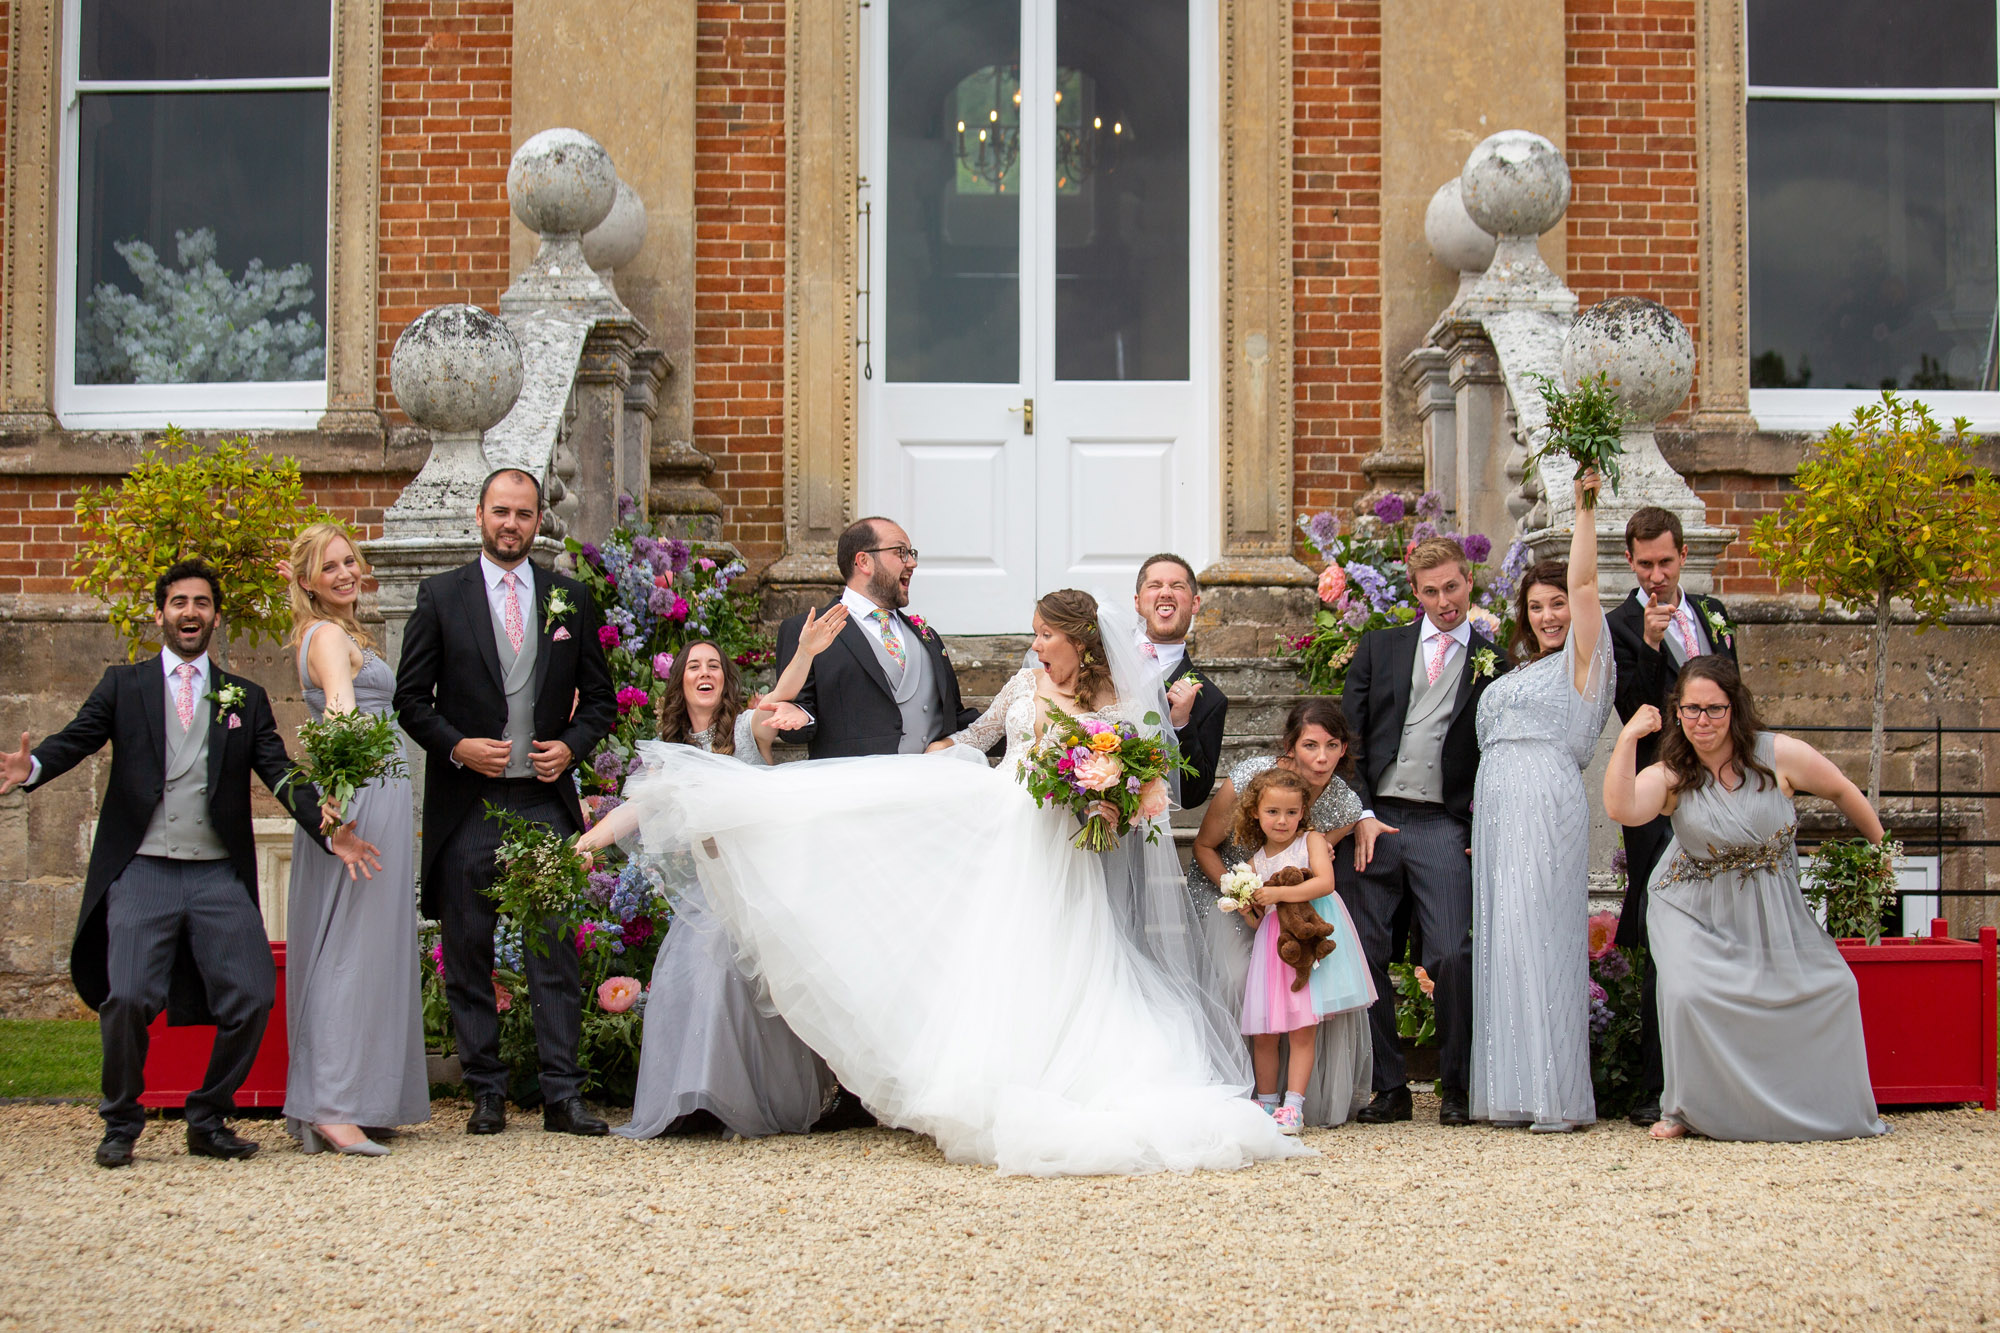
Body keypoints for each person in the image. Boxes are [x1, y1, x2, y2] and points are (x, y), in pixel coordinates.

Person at [607, 590, 1304, 1175]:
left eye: (1044, 636)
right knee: (992, 947)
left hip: (1063, 848)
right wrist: (929, 762)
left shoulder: (1118, 703)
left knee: (1066, 955)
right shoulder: (1025, 685)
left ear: (1079, 642)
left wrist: (1107, 794)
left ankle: (1067, 1073)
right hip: (1003, 826)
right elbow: (977, 739)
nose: (1035, 645)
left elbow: (1147, 786)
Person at [0, 559, 379, 1168]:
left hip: (214, 874)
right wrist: (32, 769)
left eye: (202, 603)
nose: (191, 613)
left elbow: (278, 772)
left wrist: (327, 829)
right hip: (143, 870)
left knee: (254, 996)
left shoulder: (243, 698)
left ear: (215, 616)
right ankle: (122, 1121)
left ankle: (207, 1116)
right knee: (126, 998)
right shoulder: (122, 686)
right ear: (161, 613)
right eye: (179, 603)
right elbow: (76, 739)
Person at [392, 468, 619, 1138]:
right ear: (480, 515)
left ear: (538, 519)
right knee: (467, 948)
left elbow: (600, 699)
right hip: (470, 803)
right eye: (501, 511)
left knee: (555, 949)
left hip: (543, 801)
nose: (512, 523)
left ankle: (562, 1095)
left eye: (524, 513)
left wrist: (571, 747)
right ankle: (486, 1091)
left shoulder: (569, 599)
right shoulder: (441, 597)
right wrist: (459, 745)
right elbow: (410, 700)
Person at [580, 618, 846, 1140]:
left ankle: (743, 1101)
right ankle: (693, 1096)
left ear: (725, 680)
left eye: (714, 666)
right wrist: (584, 844)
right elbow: (636, 810)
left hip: (756, 885)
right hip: (705, 891)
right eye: (695, 666)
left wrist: (807, 652)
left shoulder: (748, 729)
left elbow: (783, 694)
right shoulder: (668, 755)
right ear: (681, 682)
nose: (706, 673)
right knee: (688, 977)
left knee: (735, 978)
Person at [1603, 656, 1887, 1142]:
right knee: (1689, 993)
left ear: (1734, 708)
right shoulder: (1674, 774)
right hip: (1690, 905)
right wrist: (1628, 737)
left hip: (1769, 904)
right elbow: (1622, 807)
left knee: (1834, 988)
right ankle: (1685, 1107)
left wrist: (1882, 855)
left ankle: (1810, 1101)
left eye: (1714, 709)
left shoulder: (1778, 756)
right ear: (1677, 712)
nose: (1702, 722)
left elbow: (1841, 788)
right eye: (1691, 710)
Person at [1338, 536, 1508, 1126]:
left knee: (1452, 953)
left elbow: (1499, 753)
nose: (1444, 602)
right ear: (1415, 592)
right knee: (1363, 949)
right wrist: (1358, 813)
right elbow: (1349, 738)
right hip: (1376, 819)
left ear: (1469, 581)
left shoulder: (1497, 662)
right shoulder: (1380, 648)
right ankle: (1390, 1088)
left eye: (1453, 588)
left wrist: (1480, 825)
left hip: (1442, 821)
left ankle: (1457, 1085)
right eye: (1431, 591)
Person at [1470, 475, 1615, 1133]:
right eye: (1536, 607)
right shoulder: (1517, 671)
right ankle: (1512, 1088)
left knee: (1541, 938)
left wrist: (1583, 508)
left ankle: (1553, 1092)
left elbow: (1587, 587)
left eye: (1556, 604)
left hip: (1545, 805)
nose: (1549, 615)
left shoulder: (1583, 662)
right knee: (1504, 939)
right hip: (1498, 813)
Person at [280, 524, 429, 1155]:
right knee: (348, 946)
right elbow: (340, 706)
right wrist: (338, 806)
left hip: (378, 789)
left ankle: (361, 1095)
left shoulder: (337, 632)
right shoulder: (330, 636)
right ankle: (333, 1105)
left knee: (372, 946)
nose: (344, 573)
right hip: (361, 793)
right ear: (307, 582)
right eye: (328, 567)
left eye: (349, 561)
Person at [1605, 505, 1739, 1126]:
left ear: (1683, 556)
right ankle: (1657, 1085)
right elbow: (1634, 710)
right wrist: (1653, 646)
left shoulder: (1714, 613)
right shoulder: (1620, 625)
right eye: (1644, 564)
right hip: (1658, 797)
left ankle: (1726, 1073)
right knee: (1663, 937)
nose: (1655, 574)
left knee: (1727, 924)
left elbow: (1736, 699)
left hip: (1721, 790)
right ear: (1629, 562)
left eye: (1665, 561)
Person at [1188, 697, 1373, 1126]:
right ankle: (1238, 1088)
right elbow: (1203, 847)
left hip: (1287, 910)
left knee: (1303, 986)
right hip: (1227, 889)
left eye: (1332, 745)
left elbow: (1315, 870)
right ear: (1291, 745)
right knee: (1237, 977)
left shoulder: (1343, 805)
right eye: (1310, 745)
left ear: (1344, 748)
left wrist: (1368, 819)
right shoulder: (1253, 776)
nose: (1321, 757)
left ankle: (1297, 1099)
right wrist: (1242, 897)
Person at [1221, 767, 1374, 1135]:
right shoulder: (1256, 860)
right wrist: (1251, 911)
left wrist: (1277, 894)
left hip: (1308, 946)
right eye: (1272, 811)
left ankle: (1294, 1105)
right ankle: (1266, 1100)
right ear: (1256, 812)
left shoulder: (1312, 842)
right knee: (1265, 1032)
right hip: (1274, 948)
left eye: (1291, 812)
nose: (1282, 820)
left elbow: (1325, 882)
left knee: (1303, 1028)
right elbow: (1263, 921)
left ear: (1303, 812)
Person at [772, 516, 979, 758]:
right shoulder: (806, 630)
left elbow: (955, 716)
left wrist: (1019, 714)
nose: (912, 563)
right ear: (864, 561)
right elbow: (795, 720)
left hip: (930, 784)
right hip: (854, 788)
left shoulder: (927, 636)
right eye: (901, 552)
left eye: (912, 553)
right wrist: (799, 716)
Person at [1133, 553, 1227, 807]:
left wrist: (1181, 724)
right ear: (1137, 602)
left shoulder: (1211, 698)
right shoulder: (1096, 657)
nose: (1165, 593)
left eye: (1177, 586)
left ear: (1195, 603)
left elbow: (1193, 797)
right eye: (1155, 585)